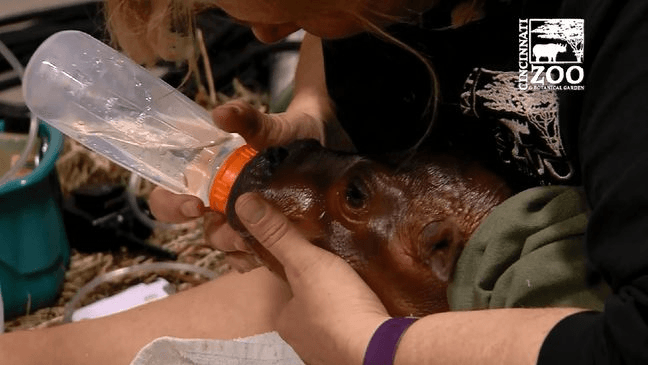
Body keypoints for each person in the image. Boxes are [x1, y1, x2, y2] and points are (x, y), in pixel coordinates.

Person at [1, 0, 645, 364]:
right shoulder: (373, 17)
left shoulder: (609, 30)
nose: (262, 34)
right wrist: (312, 113)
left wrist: (377, 346)